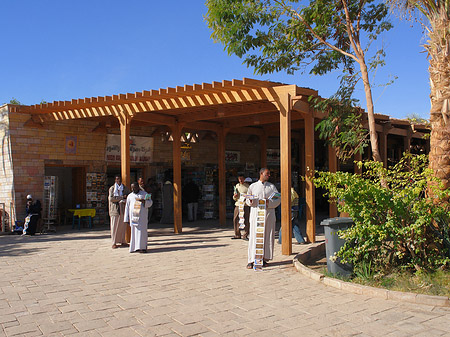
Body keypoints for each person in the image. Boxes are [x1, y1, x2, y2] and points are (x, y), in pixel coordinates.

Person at [246, 168, 281, 269]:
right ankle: (252, 259)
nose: (268, 175)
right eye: (267, 174)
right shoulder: (253, 186)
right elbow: (248, 200)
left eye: (269, 174)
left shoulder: (271, 187)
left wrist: (268, 202)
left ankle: (265, 258)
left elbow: (278, 199)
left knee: (268, 236)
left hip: (268, 215)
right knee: (254, 236)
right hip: (256, 215)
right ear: (261, 174)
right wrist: (251, 201)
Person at [124, 182, 153, 253]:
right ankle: (134, 247)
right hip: (133, 218)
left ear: (138, 187)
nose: (133, 189)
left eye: (135, 187)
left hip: (142, 217)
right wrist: (126, 218)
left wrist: (144, 202)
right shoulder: (130, 196)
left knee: (142, 232)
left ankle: (142, 247)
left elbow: (150, 202)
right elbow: (127, 207)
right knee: (134, 233)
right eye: (132, 188)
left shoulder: (145, 194)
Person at [108, 175, 130, 249]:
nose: (118, 181)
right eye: (117, 179)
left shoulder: (125, 188)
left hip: (123, 208)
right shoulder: (112, 188)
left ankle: (122, 241)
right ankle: (114, 242)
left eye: (119, 179)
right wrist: (121, 197)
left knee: (122, 226)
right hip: (115, 209)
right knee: (114, 226)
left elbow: (129, 195)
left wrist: (124, 199)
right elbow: (111, 198)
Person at [232, 175, 250, 240]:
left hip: (245, 205)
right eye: (239, 179)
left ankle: (245, 234)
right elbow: (234, 197)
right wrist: (235, 196)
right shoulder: (237, 186)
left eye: (241, 179)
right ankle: (237, 234)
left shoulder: (248, 187)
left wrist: (246, 197)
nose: (240, 180)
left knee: (246, 219)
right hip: (238, 204)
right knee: (236, 219)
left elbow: (250, 196)